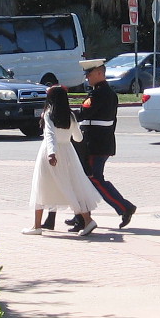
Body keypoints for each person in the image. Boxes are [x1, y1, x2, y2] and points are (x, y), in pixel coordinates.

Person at [65, 59, 137, 231]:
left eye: (89, 74)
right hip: (99, 143)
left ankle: (124, 207)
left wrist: (63, 113)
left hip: (95, 145)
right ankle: (81, 217)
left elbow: (83, 114)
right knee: (86, 179)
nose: (87, 78)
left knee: (93, 178)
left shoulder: (99, 94)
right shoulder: (103, 92)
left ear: (99, 73)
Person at [22, 85, 100, 236]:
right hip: (68, 152)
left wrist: (52, 153)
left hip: (50, 153)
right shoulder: (70, 115)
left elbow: (50, 135)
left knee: (41, 185)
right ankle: (87, 219)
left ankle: (37, 225)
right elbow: (79, 137)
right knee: (71, 186)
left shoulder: (48, 113)